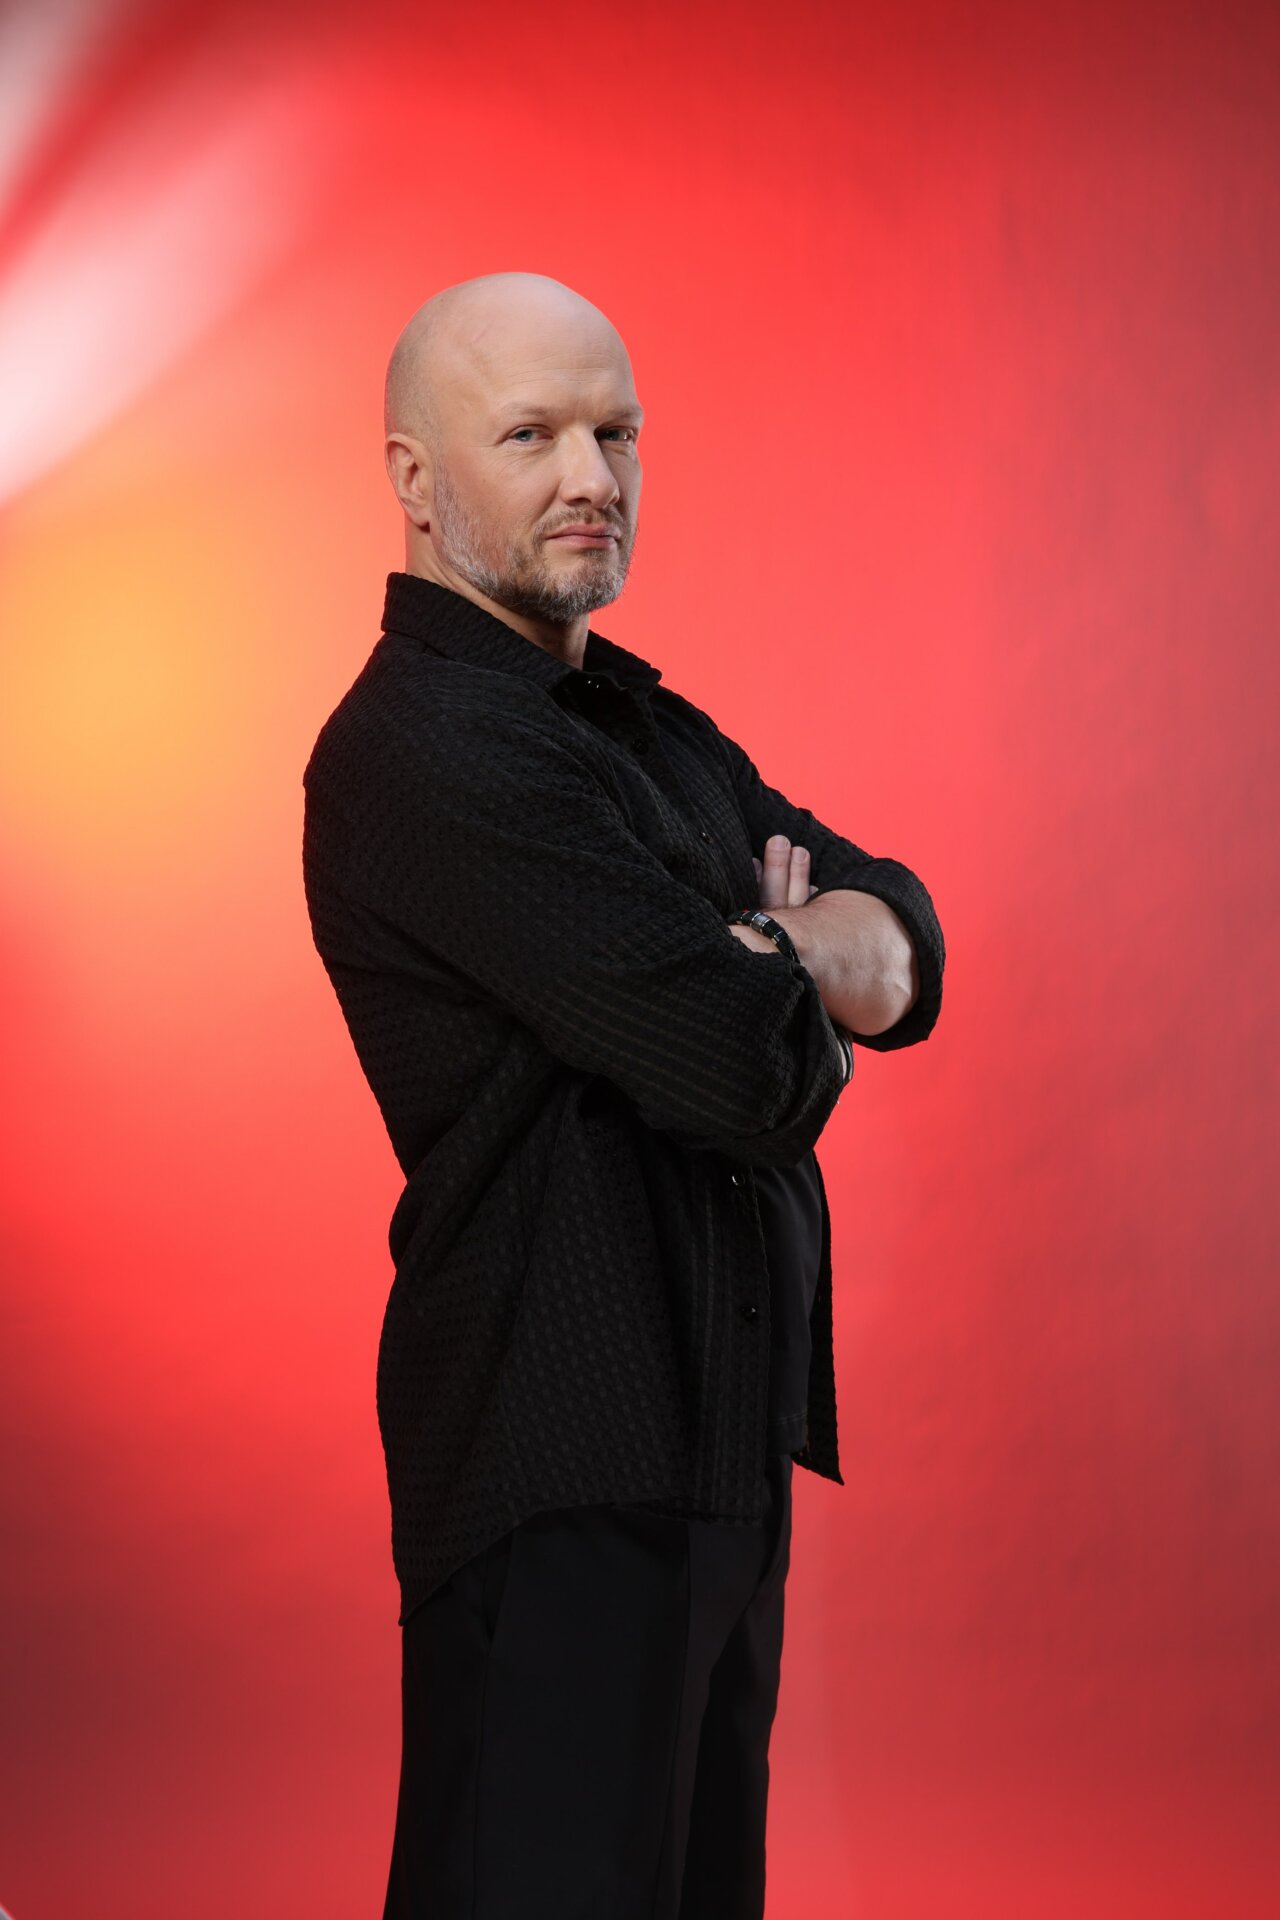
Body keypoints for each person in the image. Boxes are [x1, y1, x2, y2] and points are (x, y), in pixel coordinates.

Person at [301, 270, 945, 1918]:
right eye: (531, 435)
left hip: (719, 1444)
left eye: (617, 432)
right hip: (557, 1452)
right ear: (415, 477)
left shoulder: (652, 732)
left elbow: (907, 939)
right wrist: (785, 975)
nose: (591, 477)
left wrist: (767, 946)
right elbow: (744, 1069)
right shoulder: (426, 748)